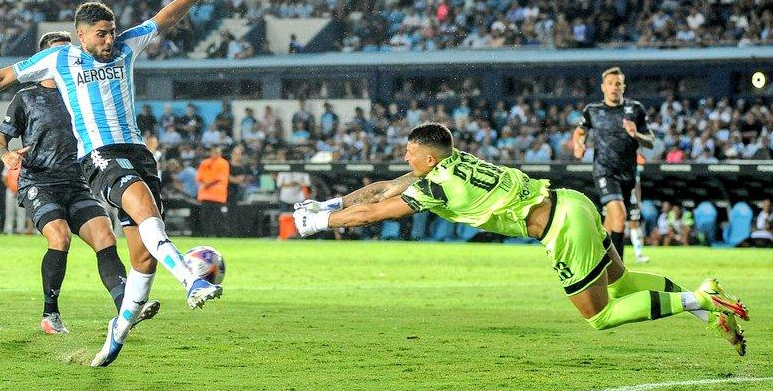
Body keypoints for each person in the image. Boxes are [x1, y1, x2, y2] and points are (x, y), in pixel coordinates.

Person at [0, 0, 229, 367]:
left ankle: (115, 333)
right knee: (148, 218)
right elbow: (0, 77)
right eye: (101, 34)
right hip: (99, 157)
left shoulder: (126, 46)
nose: (109, 39)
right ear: (80, 35)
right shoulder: (59, 59)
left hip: (137, 153)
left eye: (112, 31)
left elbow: (165, 16)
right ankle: (190, 281)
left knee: (142, 259)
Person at [293, 123, 748, 356]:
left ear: (428, 158)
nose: (404, 157)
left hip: (560, 227)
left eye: (410, 152)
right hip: (572, 202)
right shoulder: (451, 164)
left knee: (601, 317)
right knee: (622, 282)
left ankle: (704, 302)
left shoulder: (436, 186)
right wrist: (330, 206)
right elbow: (379, 190)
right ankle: (705, 306)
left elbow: (375, 212)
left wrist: (315, 226)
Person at [0, 30, 159, 335]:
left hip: (78, 182)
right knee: (59, 237)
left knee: (106, 237)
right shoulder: (26, 98)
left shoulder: (83, 92)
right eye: (57, 54)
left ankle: (126, 308)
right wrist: (5, 155)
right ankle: (50, 313)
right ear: (42, 62)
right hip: (39, 182)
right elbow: (0, 137)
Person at [572, 67, 652, 264]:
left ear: (623, 86)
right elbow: (580, 132)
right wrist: (578, 145)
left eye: (618, 84)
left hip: (629, 174)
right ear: (603, 87)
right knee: (619, 216)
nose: (614, 87)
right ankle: (617, 273)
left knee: (609, 225)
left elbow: (650, 140)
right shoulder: (592, 110)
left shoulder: (636, 109)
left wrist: (636, 135)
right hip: (604, 171)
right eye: (610, 84)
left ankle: (595, 261)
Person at [196, 146, 229, 237]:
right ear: (211, 152)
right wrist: (206, 184)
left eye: (218, 152)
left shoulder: (224, 163)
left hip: (218, 195)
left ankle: (220, 235)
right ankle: (206, 234)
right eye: (214, 152)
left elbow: (220, 178)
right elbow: (199, 177)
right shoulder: (204, 163)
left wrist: (208, 184)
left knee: (218, 217)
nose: (216, 154)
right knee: (206, 217)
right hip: (205, 195)